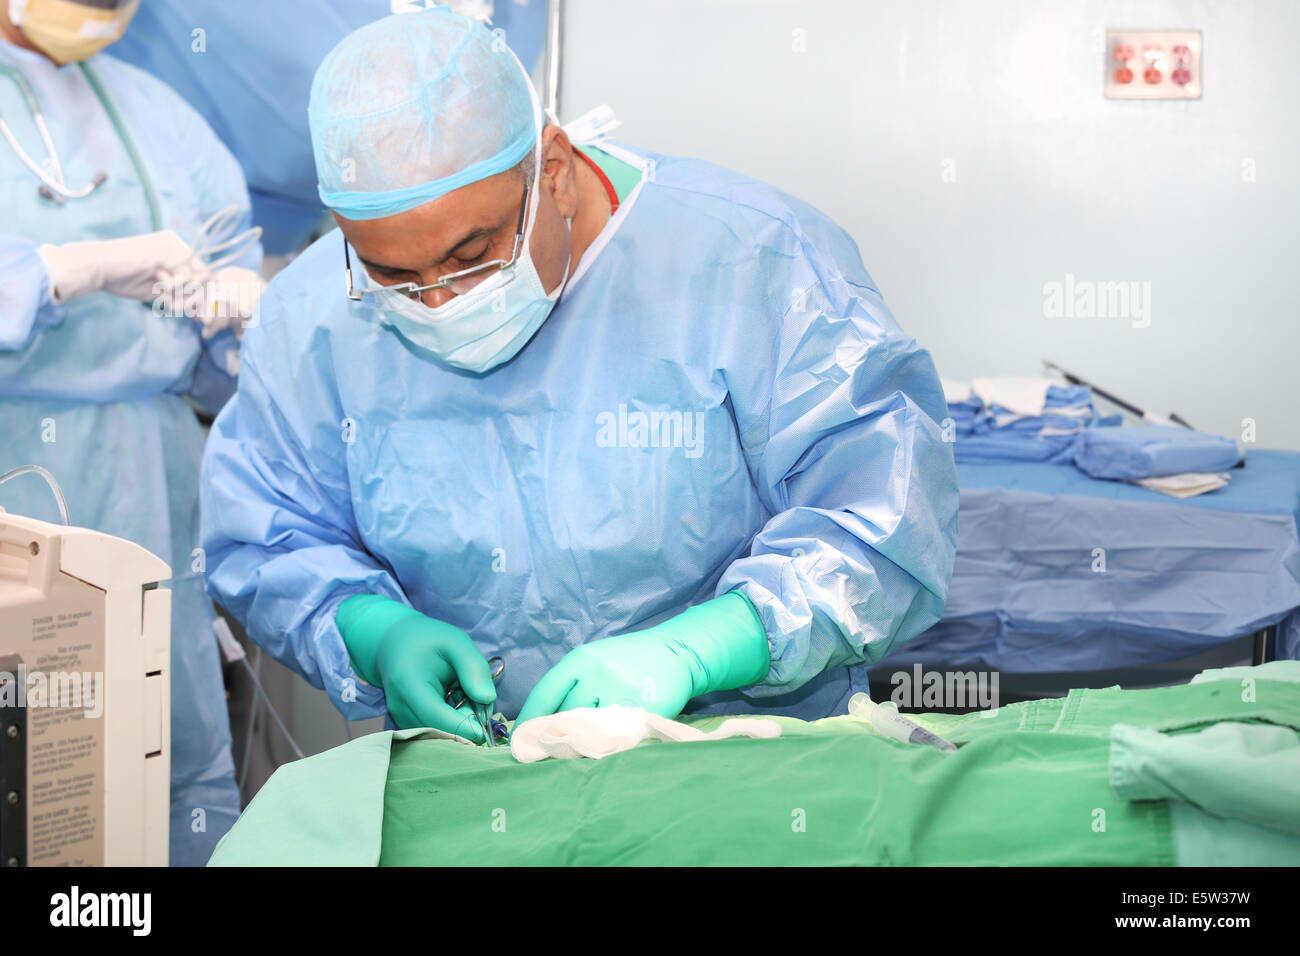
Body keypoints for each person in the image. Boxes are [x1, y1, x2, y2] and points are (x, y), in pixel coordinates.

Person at [201, 8, 958, 741]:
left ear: (554, 172)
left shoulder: (754, 261)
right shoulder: (312, 316)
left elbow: (882, 522)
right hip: (479, 784)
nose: (436, 302)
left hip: (748, 766)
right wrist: (374, 630)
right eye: (393, 273)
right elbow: (267, 536)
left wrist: (704, 647)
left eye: (472, 257)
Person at [0, 0, 262, 863]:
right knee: (31, 769)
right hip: (15, 475)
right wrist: (66, 271)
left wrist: (231, 321)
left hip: (154, 475)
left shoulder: (155, 113)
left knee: (178, 752)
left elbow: (225, 289)